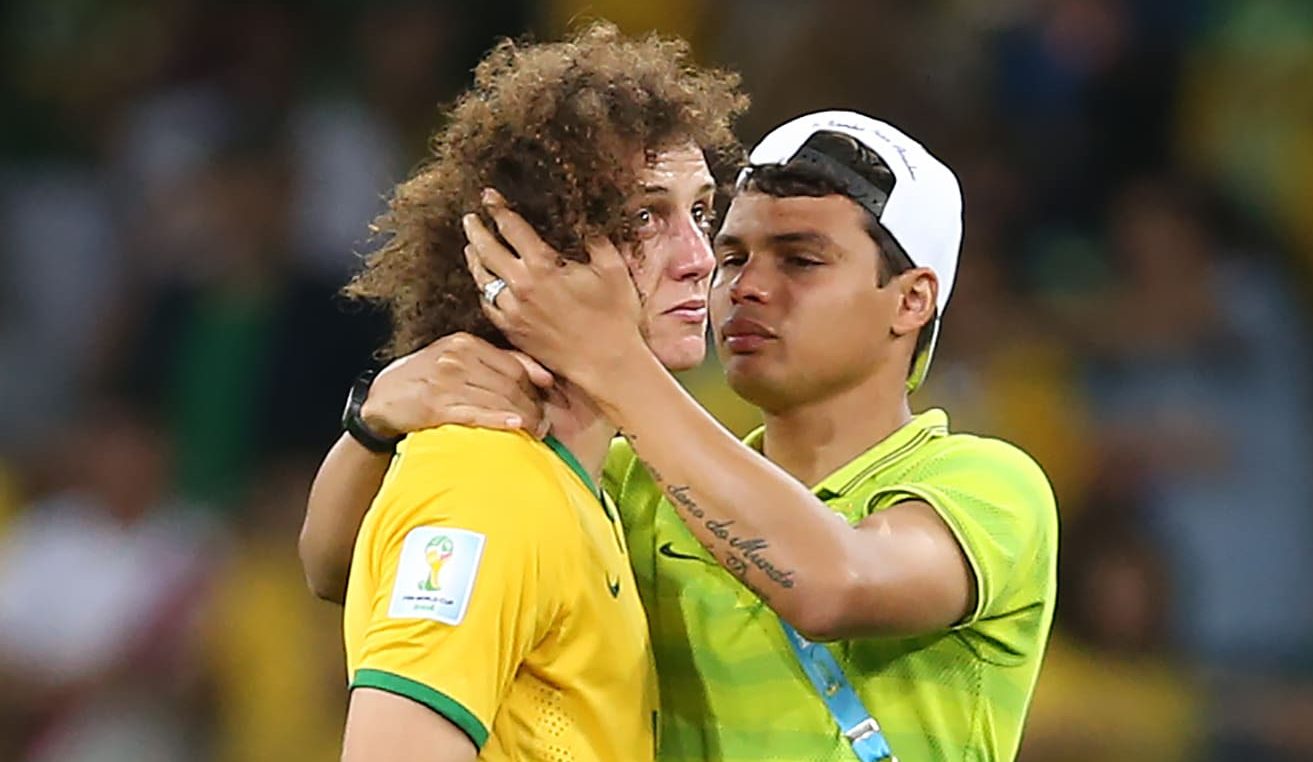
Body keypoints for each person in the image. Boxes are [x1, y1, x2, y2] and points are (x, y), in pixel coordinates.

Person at [305, 111, 1058, 761]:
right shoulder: (630, 481)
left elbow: (836, 583)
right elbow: (346, 570)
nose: (735, 285)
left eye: (800, 259)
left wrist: (607, 356)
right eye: (733, 255)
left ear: (912, 300)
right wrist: (370, 422)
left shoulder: (989, 487)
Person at [323, 22, 746, 762]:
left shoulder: (592, 483)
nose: (700, 258)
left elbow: (326, 565)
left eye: (702, 212)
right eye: (645, 216)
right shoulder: (486, 481)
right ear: (533, 250)